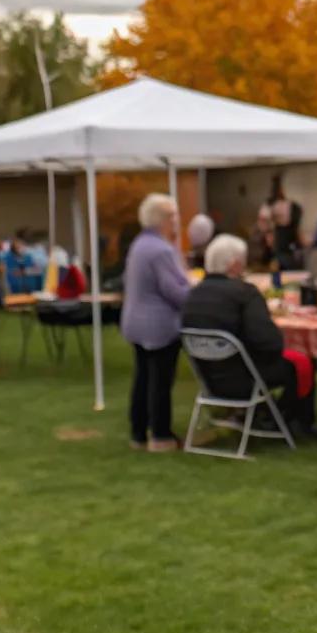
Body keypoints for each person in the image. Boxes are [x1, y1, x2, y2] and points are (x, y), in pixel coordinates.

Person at [180, 234, 317, 436]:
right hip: (244, 377)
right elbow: (269, 342)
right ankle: (293, 421)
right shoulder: (245, 293)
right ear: (235, 264)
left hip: (210, 378)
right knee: (301, 363)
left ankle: (268, 416)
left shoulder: (193, 295)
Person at [120, 194, 192, 453]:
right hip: (159, 324)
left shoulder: (139, 245)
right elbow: (174, 291)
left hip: (135, 321)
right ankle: (160, 435)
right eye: (173, 216)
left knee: (142, 378)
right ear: (163, 219)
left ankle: (138, 433)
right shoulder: (161, 250)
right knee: (160, 381)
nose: (177, 221)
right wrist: (193, 290)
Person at [1, 229, 43, 295]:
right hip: (15, 289)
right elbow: (8, 272)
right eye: (17, 247)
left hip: (31, 288)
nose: (20, 248)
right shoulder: (8, 258)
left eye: (21, 246)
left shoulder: (29, 257)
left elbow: (38, 270)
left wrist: (25, 271)